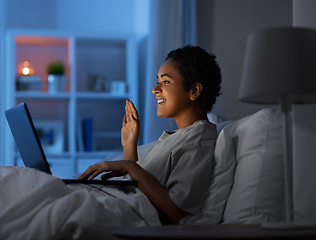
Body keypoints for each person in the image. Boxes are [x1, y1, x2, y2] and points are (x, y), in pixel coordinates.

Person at [80, 45, 222, 225]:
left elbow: (176, 213)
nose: (155, 89)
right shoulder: (179, 136)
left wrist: (131, 167)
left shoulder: (199, 139)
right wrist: (129, 147)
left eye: (166, 82)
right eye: (158, 81)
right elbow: (135, 187)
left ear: (194, 91)